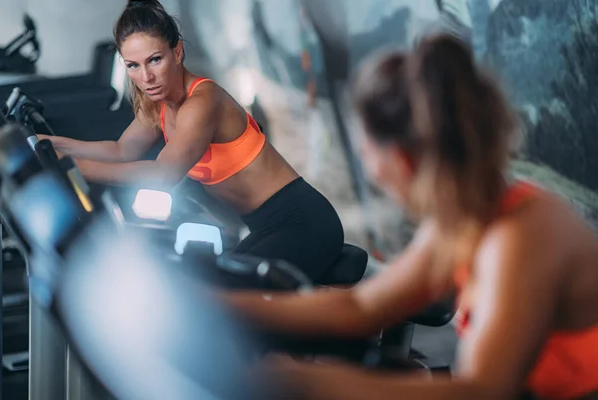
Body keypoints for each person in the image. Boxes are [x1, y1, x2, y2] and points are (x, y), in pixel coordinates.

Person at [220, 33, 598, 399]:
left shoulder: (518, 238)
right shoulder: (465, 217)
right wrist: (218, 304)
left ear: (402, 160)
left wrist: (301, 382)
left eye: (373, 164)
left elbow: (481, 391)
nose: (375, 177)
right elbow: (362, 306)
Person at [40, 0, 344, 282]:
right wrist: (51, 144)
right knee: (210, 287)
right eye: (133, 65)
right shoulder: (158, 103)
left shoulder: (203, 100)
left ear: (178, 52)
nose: (146, 77)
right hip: (264, 226)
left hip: (303, 222)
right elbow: (122, 150)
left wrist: (72, 166)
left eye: (154, 60)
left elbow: (164, 174)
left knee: (227, 299)